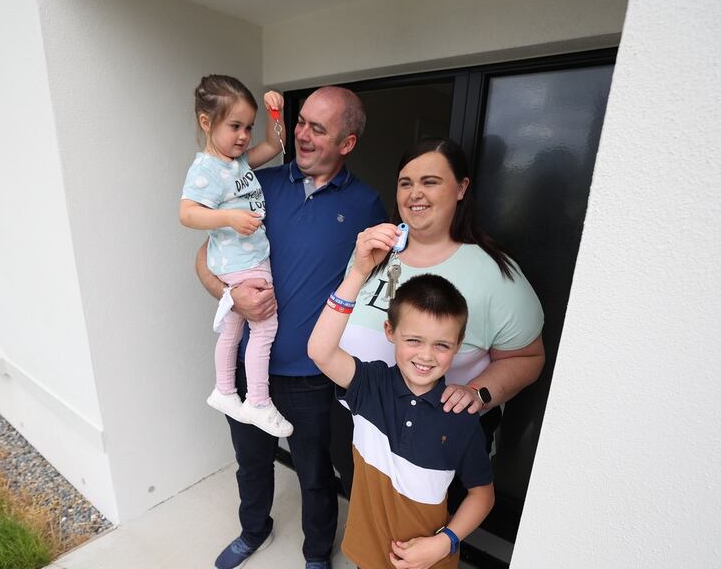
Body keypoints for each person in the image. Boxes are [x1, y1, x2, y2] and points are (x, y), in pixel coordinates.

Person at [196, 86, 388, 569]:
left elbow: (373, 291)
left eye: (317, 129)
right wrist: (230, 295)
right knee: (252, 463)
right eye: (301, 122)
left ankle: (317, 556)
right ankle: (253, 530)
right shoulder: (253, 183)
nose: (300, 135)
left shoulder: (366, 205)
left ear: (346, 143)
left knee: (316, 475)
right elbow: (204, 256)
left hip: (310, 375)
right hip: (245, 369)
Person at [333, 137, 545, 496]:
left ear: (461, 188)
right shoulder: (374, 254)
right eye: (406, 183)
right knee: (368, 521)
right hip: (357, 423)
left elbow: (528, 357)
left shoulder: (495, 273)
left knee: (424, 537)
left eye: (430, 182)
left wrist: (479, 393)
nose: (415, 193)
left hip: (433, 440)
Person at [309, 272, 495, 569]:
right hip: (367, 552)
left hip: (430, 561)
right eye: (413, 340)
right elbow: (320, 351)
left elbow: (482, 494)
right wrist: (357, 272)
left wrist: (444, 542)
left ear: (458, 345)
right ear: (390, 331)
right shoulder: (370, 384)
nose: (426, 355)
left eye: (442, 345)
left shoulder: (460, 416)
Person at [179, 74, 293, 437]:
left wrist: (277, 116)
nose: (244, 136)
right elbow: (187, 213)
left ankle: (225, 391)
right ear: (206, 123)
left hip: (240, 260)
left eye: (248, 126)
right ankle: (258, 401)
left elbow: (273, 147)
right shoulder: (207, 169)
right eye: (235, 126)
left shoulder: (237, 160)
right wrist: (228, 216)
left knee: (233, 327)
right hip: (243, 262)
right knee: (265, 325)